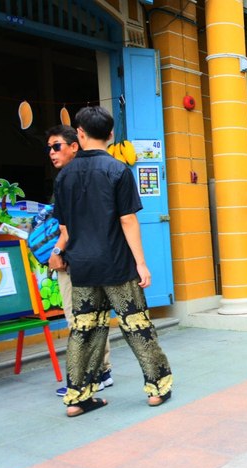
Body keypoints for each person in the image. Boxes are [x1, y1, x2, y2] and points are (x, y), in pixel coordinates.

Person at [49, 106, 172, 417]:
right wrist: (141, 264)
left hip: (83, 267)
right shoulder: (118, 170)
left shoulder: (64, 177)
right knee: (137, 326)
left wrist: (62, 253)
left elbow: (64, 227)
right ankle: (158, 389)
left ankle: (77, 398)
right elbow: (128, 220)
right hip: (117, 265)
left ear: (79, 134)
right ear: (111, 135)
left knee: (83, 331)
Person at [45, 125, 115, 398]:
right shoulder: (90, 175)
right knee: (91, 318)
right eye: (48, 148)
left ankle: (87, 377)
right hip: (94, 258)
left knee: (79, 319)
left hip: (76, 260)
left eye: (56, 146)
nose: (51, 152)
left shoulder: (69, 179)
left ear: (75, 145)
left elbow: (70, 226)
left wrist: (57, 251)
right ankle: (101, 370)